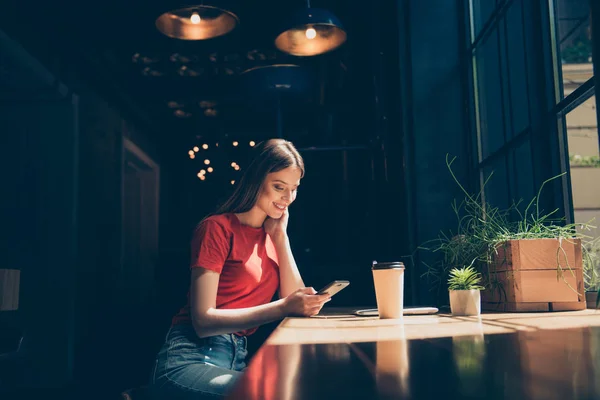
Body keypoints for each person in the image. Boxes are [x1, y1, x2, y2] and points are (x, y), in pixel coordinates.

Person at [149, 139, 331, 399]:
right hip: (188, 359)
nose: (288, 198)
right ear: (256, 180)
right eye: (279, 187)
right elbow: (202, 321)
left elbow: (296, 303)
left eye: (294, 189)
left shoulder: (272, 236)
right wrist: (282, 307)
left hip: (235, 360)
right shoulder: (216, 228)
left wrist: (281, 237)